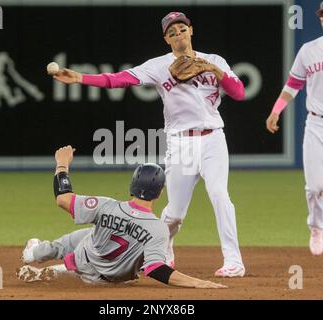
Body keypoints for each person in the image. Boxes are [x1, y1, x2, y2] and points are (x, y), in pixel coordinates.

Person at [52, 12, 246, 277]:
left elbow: (239, 92)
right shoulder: (158, 66)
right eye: (172, 32)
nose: (178, 35)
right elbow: (118, 80)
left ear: (191, 30)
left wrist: (213, 69)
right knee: (175, 213)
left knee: (220, 195)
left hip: (213, 138)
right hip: (181, 143)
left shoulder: (214, 60)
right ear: (166, 39)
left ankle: (233, 260)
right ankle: (164, 251)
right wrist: (80, 78)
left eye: (181, 29)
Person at [17, 145, 226, 288]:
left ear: (132, 186)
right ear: (160, 192)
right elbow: (156, 269)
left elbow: (63, 199)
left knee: (75, 241)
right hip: (113, 281)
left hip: (85, 259)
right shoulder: (158, 229)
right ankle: (53, 267)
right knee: (87, 237)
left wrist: (62, 163)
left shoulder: (106, 205)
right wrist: (198, 283)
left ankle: (35, 255)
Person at [266, 3, 323, 256]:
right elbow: (293, 85)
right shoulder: (308, 51)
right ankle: (317, 228)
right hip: (316, 123)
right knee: (314, 186)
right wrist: (276, 110)